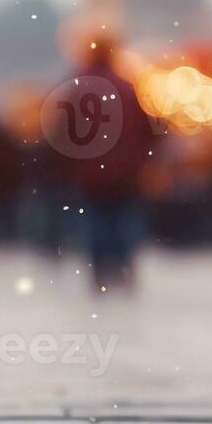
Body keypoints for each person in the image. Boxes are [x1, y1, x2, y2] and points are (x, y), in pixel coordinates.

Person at [53, 38, 156, 294]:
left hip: (89, 173)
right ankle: (124, 265)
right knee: (124, 219)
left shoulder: (77, 87)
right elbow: (149, 129)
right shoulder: (127, 88)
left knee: (95, 220)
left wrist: (68, 165)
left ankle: (99, 269)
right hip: (126, 172)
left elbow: (62, 134)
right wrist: (141, 158)